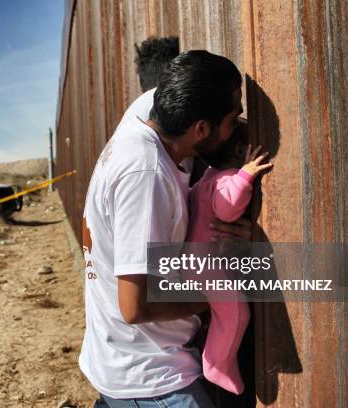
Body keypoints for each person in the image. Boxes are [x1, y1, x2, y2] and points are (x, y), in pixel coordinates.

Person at [80, 50, 252, 407]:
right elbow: (134, 307)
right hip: (151, 377)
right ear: (200, 129)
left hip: (121, 359)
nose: (238, 125)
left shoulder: (149, 114)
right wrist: (215, 301)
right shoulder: (146, 175)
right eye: (232, 118)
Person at [185, 132, 272, 394]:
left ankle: (215, 358)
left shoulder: (205, 178)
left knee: (221, 316)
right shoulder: (225, 178)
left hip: (196, 263)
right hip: (206, 266)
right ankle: (217, 364)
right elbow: (226, 208)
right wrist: (246, 175)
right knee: (236, 313)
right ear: (239, 152)